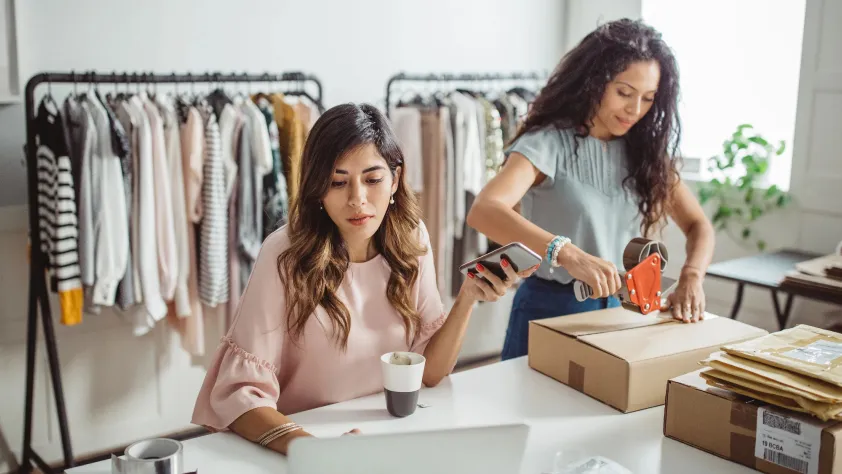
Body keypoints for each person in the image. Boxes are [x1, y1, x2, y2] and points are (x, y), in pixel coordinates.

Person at [191, 103, 537, 454]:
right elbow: (241, 398)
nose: (357, 199)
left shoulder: (411, 238)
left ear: (395, 181)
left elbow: (429, 373)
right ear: (318, 190)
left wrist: (467, 297)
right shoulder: (284, 254)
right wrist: (322, 454)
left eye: (372, 180)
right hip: (310, 442)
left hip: (390, 437)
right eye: (338, 182)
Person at [466, 18, 715, 361]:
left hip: (623, 311)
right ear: (594, 81)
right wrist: (567, 253)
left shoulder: (646, 156)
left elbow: (699, 226)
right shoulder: (546, 144)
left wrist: (692, 276)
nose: (635, 109)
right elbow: (484, 210)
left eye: (647, 99)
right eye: (624, 93)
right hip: (550, 309)